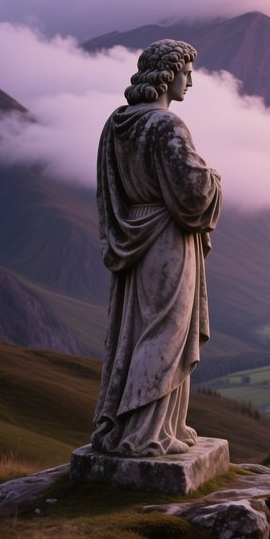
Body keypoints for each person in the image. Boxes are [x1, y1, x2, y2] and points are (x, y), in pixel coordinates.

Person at [91, 39, 221, 456]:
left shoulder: (117, 123)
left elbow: (110, 190)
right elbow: (194, 193)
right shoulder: (167, 126)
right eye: (187, 72)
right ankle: (146, 433)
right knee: (167, 332)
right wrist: (215, 178)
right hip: (167, 238)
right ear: (168, 74)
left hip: (134, 236)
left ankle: (156, 425)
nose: (191, 81)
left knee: (137, 332)